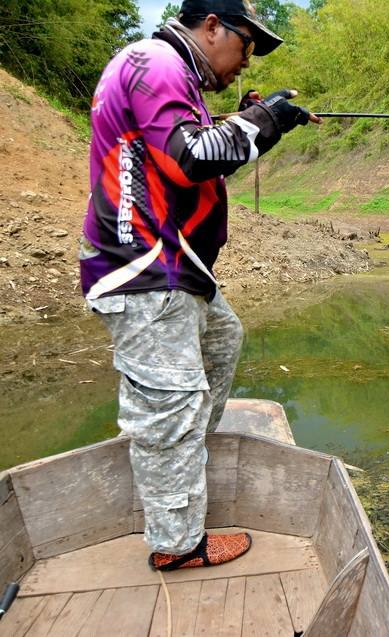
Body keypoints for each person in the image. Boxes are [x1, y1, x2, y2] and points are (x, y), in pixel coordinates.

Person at [79, 0, 318, 572]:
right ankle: (177, 544)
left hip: (173, 268)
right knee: (173, 401)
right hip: (143, 269)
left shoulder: (173, 76)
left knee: (221, 341)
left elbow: (189, 150)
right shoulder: (154, 62)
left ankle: (181, 462)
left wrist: (246, 119)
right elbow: (190, 159)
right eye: (247, 44)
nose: (248, 59)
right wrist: (266, 123)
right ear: (212, 26)